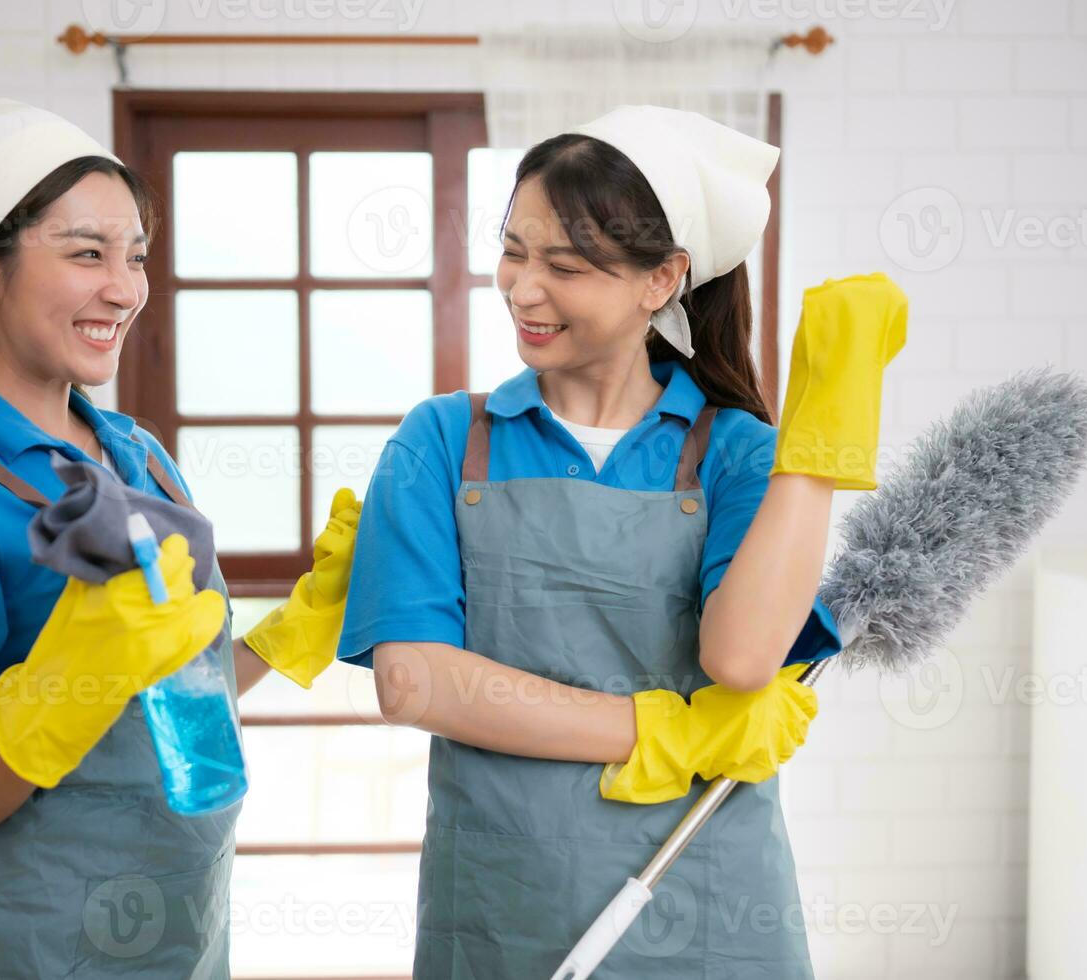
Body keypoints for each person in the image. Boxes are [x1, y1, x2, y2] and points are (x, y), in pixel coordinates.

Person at [336, 105, 905, 977]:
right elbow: (414, 682)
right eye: (513, 250)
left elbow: (744, 657)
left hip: (709, 902)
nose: (524, 288)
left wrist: (817, 448)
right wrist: (654, 732)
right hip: (505, 910)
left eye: (564, 265)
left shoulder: (739, 455)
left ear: (660, 280)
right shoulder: (446, 441)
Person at [0, 100, 359, 978]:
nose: (125, 287)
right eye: (87, 253)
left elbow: (175, 702)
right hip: (36, 945)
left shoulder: (140, 455)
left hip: (187, 931)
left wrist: (288, 632)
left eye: (137, 256)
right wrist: (63, 683)